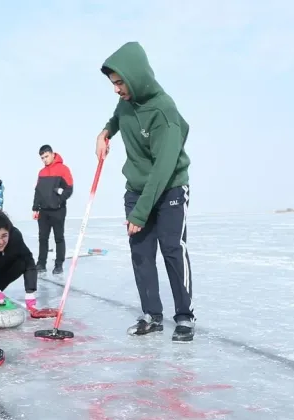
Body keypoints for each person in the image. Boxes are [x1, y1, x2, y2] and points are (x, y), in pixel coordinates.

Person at [96, 41, 194, 342]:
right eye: (113, 84)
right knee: (141, 254)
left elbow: (162, 171)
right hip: (137, 188)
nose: (116, 89)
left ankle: (184, 316)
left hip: (170, 188)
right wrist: (105, 133)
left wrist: (141, 212)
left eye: (120, 82)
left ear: (135, 76)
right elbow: (117, 116)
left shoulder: (164, 111)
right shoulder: (127, 102)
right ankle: (152, 315)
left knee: (171, 249)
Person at [31, 144, 74, 275]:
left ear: (52, 154)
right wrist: (35, 208)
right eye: (42, 158)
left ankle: (59, 265)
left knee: (58, 238)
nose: (44, 159)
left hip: (58, 210)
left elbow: (69, 188)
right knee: (42, 238)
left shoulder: (63, 169)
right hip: (43, 211)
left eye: (46, 156)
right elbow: (37, 191)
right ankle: (41, 264)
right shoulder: (41, 172)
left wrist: (59, 200)